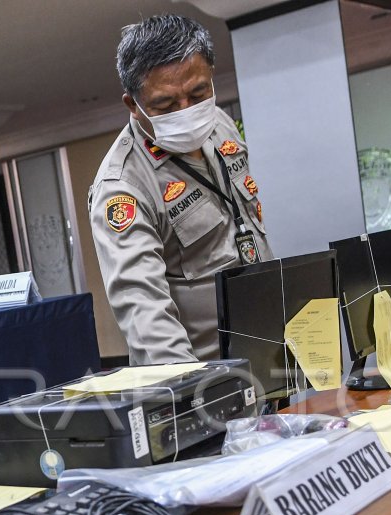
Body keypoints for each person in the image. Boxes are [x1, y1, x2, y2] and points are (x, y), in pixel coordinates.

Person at [89, 14, 272, 366]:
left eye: (198, 93)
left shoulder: (219, 125)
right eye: (166, 105)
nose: (187, 111)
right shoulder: (123, 186)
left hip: (270, 355)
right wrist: (199, 396)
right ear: (133, 104)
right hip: (209, 381)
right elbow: (147, 319)